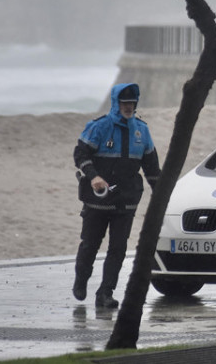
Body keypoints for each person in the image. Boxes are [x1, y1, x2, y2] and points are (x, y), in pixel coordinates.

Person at [72, 83, 161, 308]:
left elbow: (152, 168)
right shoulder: (99, 127)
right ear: (116, 103)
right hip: (98, 202)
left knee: (119, 248)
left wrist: (161, 194)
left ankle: (105, 292)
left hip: (126, 202)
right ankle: (81, 280)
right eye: (124, 103)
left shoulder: (142, 130)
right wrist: (93, 176)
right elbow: (80, 153)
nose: (129, 107)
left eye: (132, 103)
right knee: (90, 245)